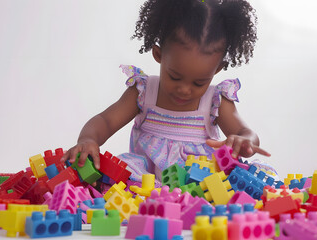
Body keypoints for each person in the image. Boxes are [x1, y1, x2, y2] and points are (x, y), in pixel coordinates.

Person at [61, 0, 272, 183]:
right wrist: (88, 139)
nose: (184, 89)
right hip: (145, 183)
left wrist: (244, 141)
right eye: (175, 76)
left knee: (246, 177)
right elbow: (106, 121)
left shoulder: (215, 100)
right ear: (158, 54)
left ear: (216, 70)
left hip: (200, 183)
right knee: (117, 170)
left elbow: (247, 133)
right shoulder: (143, 92)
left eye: (199, 82)